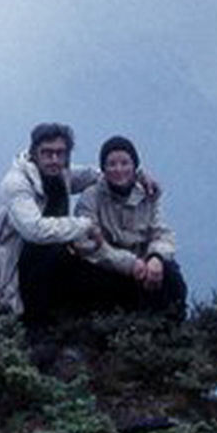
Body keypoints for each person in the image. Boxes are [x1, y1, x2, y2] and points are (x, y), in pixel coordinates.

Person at [0, 123, 159, 326]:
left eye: (60, 153)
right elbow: (34, 230)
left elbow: (104, 174)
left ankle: (132, 324)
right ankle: (36, 329)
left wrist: (138, 174)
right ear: (34, 153)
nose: (54, 159)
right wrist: (84, 225)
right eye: (47, 153)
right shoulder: (17, 184)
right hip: (15, 272)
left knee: (102, 276)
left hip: (52, 264)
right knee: (54, 251)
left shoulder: (61, 174)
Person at [71, 135, 188, 320]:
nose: (119, 169)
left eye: (125, 163)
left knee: (171, 277)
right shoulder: (90, 197)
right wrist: (129, 264)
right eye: (112, 164)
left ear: (135, 167)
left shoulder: (149, 194)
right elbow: (87, 244)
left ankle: (172, 334)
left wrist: (156, 257)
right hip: (106, 266)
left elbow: (161, 232)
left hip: (143, 265)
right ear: (103, 169)